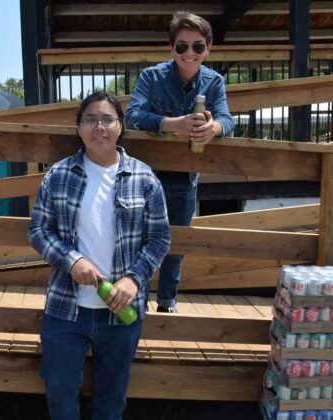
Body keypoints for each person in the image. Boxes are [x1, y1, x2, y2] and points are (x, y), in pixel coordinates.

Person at [28, 91, 170, 420]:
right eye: (90, 120)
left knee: (112, 398)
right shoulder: (58, 175)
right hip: (66, 308)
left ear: (120, 127)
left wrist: (135, 280)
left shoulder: (144, 178)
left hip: (121, 312)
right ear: (79, 129)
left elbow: (160, 238)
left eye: (107, 119)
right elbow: (38, 230)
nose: (99, 127)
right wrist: (71, 260)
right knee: (60, 390)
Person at [125, 11, 234, 313]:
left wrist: (214, 128)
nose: (190, 53)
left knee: (177, 243)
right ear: (171, 48)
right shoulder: (151, 76)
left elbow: (227, 119)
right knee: (142, 240)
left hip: (185, 177)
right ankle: (138, 299)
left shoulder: (214, 82)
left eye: (198, 47)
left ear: (208, 49)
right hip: (146, 175)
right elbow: (132, 116)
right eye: (182, 46)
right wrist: (177, 124)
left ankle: (167, 303)